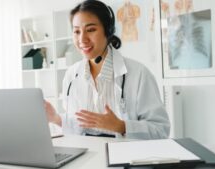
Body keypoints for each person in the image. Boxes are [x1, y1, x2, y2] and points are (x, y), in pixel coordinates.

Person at [45, 0, 170, 139]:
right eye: (76, 31)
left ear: (108, 30)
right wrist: (55, 118)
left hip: (126, 155)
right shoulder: (71, 75)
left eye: (91, 30)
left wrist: (121, 126)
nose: (82, 39)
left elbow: (161, 130)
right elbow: (77, 125)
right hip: (87, 154)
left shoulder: (139, 74)